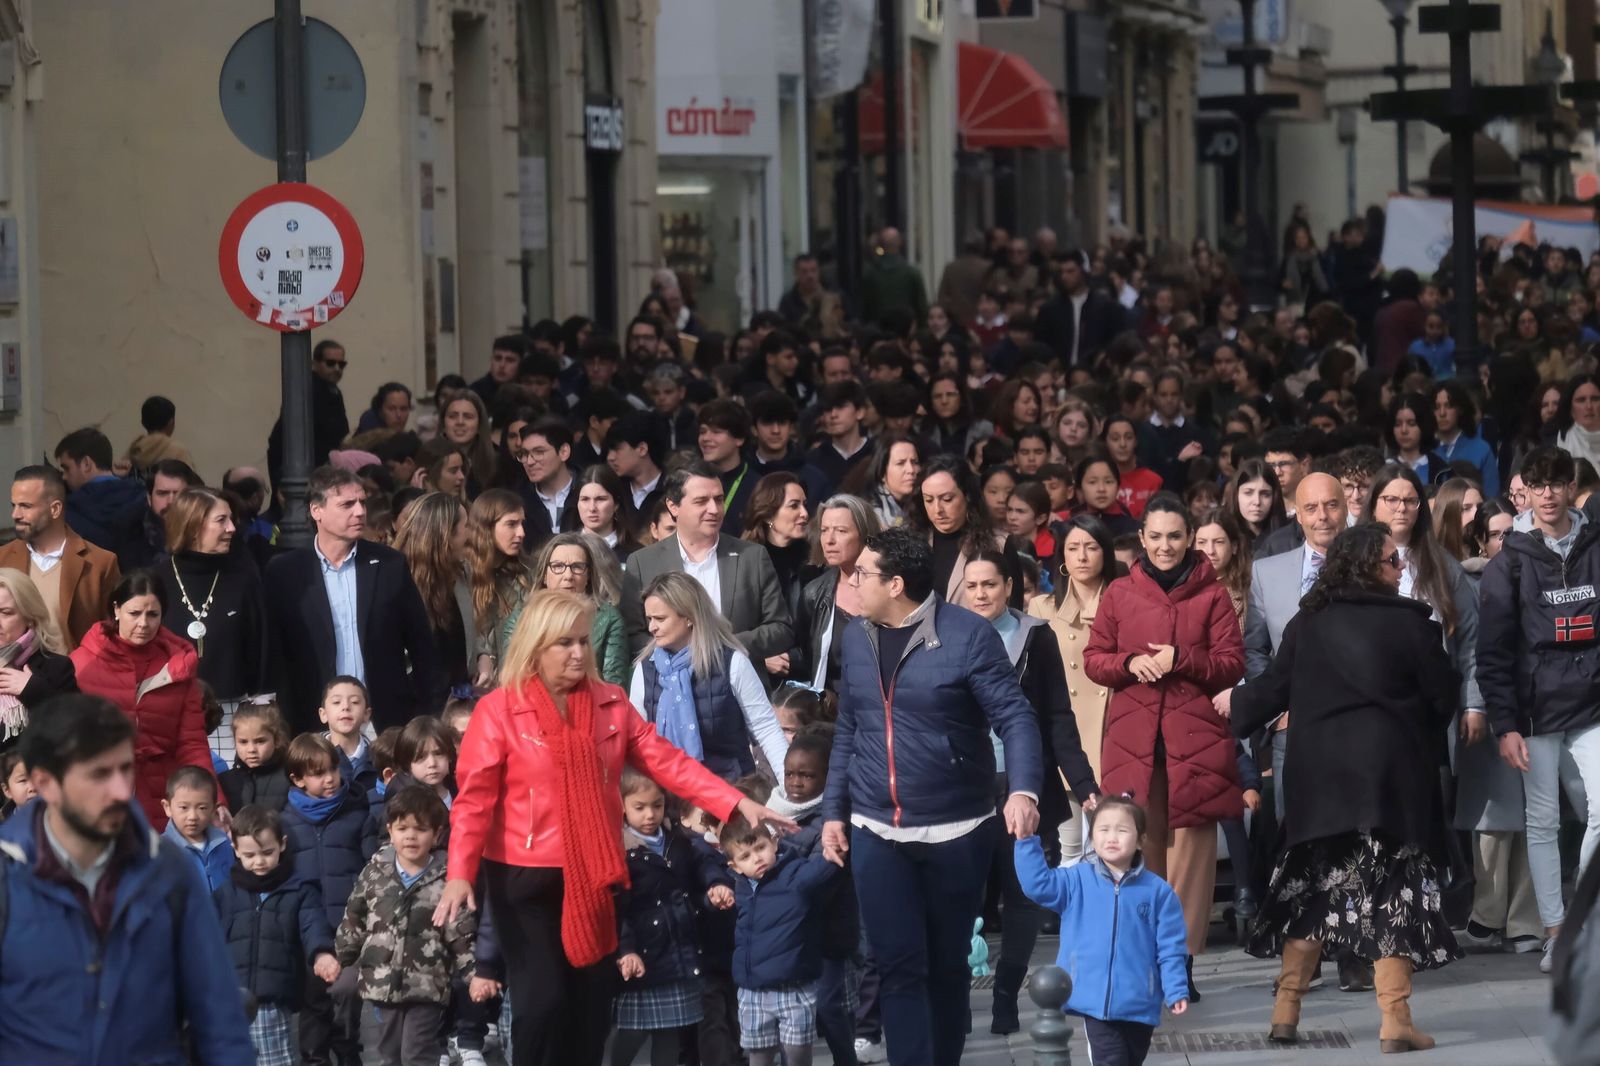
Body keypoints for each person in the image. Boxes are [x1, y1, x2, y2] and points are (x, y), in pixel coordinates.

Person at [434, 588, 794, 1066]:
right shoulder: (499, 710)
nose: (579, 652)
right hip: (522, 876)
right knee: (542, 1005)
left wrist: (733, 802)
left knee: (589, 1008)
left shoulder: (610, 703)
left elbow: (669, 763)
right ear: (535, 645)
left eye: (584, 641)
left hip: (594, 873)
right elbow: (474, 800)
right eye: (565, 642)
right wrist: (459, 871)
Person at [1221, 524, 1460, 1053]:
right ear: (1371, 567)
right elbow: (1443, 696)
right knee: (1393, 891)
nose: (1402, 570)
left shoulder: (1309, 623)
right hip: (1390, 779)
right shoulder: (1413, 626)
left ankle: (1286, 1011)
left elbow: (1272, 689)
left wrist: (1230, 709)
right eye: (1394, 562)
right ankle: (1395, 1021)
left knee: (1313, 890)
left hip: (1319, 780)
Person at [819, 526, 1043, 1066]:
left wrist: (1024, 790)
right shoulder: (855, 635)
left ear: (895, 584)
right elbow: (849, 727)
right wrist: (833, 812)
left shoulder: (967, 635)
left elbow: (1015, 716)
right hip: (877, 829)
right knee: (896, 965)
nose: (852, 582)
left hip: (957, 829)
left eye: (862, 574)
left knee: (945, 968)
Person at [0, 693, 253, 1063]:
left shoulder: (167, 870)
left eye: (124, 769)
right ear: (47, 782)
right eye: (99, 774)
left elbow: (218, 1010)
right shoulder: (8, 875)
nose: (120, 790)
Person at [1084, 493, 1244, 1000]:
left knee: (1192, 860)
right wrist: (1130, 663)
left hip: (1194, 739)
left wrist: (1184, 658)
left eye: (1175, 536)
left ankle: (1183, 963)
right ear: (1141, 539)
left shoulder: (1214, 594)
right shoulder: (1118, 592)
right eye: (1155, 536)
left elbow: (1232, 664)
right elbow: (1095, 659)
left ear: (1190, 537)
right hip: (1133, 740)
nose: (1165, 546)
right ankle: (1147, 958)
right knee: (1140, 854)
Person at [959, 550, 1101, 1034]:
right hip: (965, 788)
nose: (980, 594)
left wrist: (1085, 787)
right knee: (963, 896)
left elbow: (1058, 718)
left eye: (990, 585)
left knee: (1022, 897)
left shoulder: (1034, 637)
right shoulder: (946, 636)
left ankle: (1005, 995)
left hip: (1024, 785)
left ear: (1008, 587)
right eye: (972, 586)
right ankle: (958, 989)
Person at [1477, 445, 1600, 975]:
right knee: (1543, 821)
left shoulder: (1597, 546)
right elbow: (1493, 652)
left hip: (1593, 702)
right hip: (1534, 708)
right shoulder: (1510, 560)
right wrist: (1505, 724)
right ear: (1525, 488)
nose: (1549, 494)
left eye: (1558, 482)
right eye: (1539, 484)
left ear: (1572, 486)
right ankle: (1556, 931)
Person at [264, 466, 445, 732]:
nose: (360, 511)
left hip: (384, 721)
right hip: (313, 724)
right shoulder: (285, 572)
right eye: (347, 504)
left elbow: (421, 646)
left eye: (362, 502)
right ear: (317, 511)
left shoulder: (389, 564)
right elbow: (274, 653)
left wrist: (426, 714)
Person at [1014, 796, 1189, 1066]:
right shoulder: (1077, 881)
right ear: (1092, 838)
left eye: (1122, 830)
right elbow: (1038, 884)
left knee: (1131, 1059)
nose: (1112, 837)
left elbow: (1171, 947)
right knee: (1111, 1060)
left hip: (1139, 1002)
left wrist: (1176, 987)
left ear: (1141, 840)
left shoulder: (1158, 892)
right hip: (1094, 1002)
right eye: (1103, 830)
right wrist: (1026, 842)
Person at [337, 784, 475, 1066]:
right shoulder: (375, 872)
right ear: (390, 831)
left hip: (427, 983)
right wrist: (340, 957)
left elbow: (461, 931)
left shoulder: (447, 878)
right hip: (382, 981)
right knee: (389, 1053)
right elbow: (355, 917)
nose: (410, 836)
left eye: (420, 829)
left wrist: (475, 974)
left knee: (417, 1052)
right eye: (402, 828)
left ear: (437, 834)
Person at [69, 569, 212, 830]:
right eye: (134, 613)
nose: (144, 624)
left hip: (163, 796)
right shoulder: (81, 664)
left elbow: (192, 742)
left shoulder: (179, 665)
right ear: (116, 609)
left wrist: (216, 802)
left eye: (153, 614)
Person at [612, 768, 734, 1066]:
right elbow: (617, 908)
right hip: (644, 955)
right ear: (622, 806)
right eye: (639, 807)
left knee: (670, 1032)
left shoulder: (678, 840)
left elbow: (699, 871)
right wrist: (625, 950)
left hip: (679, 951)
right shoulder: (620, 849)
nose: (650, 814)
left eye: (657, 805)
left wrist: (714, 888)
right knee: (632, 1031)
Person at [620, 462, 794, 667]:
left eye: (718, 500)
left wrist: (724, 646)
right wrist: (678, 655)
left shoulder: (752, 556)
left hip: (739, 687)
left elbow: (781, 628)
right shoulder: (643, 562)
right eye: (701, 501)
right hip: (670, 687)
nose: (714, 509)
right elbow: (632, 636)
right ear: (673, 507)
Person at [215, 803, 342, 1066]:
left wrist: (321, 954)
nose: (259, 861)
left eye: (267, 852)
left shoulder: (299, 889)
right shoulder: (226, 893)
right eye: (249, 855)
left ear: (282, 845)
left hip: (271, 999)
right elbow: (205, 937)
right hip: (229, 998)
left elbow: (312, 925)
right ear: (235, 849)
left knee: (275, 1060)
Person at [630, 571, 789, 781]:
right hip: (667, 795)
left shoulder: (732, 662)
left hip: (731, 790)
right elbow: (636, 740)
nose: (652, 627)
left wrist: (789, 788)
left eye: (660, 618)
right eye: (649, 619)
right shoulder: (645, 669)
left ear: (689, 617)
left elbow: (765, 728)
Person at [1028, 515, 1120, 863]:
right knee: (1069, 850)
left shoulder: (1122, 606)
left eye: (1091, 547)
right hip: (1065, 739)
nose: (1082, 556)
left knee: (1112, 848)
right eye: (1073, 548)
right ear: (1062, 558)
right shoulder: (1041, 607)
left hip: (1112, 738)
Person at [282, 731, 374, 1065]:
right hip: (308, 931)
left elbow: (370, 869)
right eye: (318, 773)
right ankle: (315, 1058)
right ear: (298, 779)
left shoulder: (356, 813)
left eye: (333, 770)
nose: (330, 779)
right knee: (314, 1003)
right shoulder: (285, 824)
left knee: (348, 994)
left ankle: (349, 1050)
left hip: (349, 927)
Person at [722, 812, 842, 1066]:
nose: (757, 858)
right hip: (752, 989)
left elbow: (823, 869)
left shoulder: (796, 875)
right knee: (759, 1055)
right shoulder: (741, 889)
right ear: (734, 866)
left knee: (797, 1052)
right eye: (745, 856)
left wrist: (835, 850)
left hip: (794, 986)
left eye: (761, 847)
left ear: (774, 843)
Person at [160, 488, 266, 764]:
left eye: (232, 519)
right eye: (221, 520)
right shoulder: (156, 578)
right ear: (194, 525)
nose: (232, 528)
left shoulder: (242, 576)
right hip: (169, 712)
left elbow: (261, 646)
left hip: (232, 716)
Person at [1, 465, 121, 651]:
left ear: (55, 509)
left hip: (75, 676)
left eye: (26, 506)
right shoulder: (3, 558)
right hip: (11, 675)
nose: (15, 514)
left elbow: (113, 634)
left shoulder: (100, 563)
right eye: (14, 505)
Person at [507, 532, 629, 687]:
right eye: (558, 566)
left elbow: (614, 687)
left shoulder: (609, 619)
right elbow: (514, 679)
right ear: (544, 575)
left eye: (577, 567)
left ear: (588, 576)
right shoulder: (521, 618)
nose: (568, 575)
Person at [905, 455, 1023, 610]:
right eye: (929, 500)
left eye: (947, 499)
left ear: (967, 496)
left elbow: (1015, 615)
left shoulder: (999, 545)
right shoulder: (909, 543)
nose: (937, 509)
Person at [793, 495, 882, 692]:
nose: (829, 540)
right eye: (824, 531)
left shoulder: (889, 589)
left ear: (865, 535)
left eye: (841, 531)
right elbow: (809, 656)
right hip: (833, 711)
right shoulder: (813, 594)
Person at [393, 492, 475, 692]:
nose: (472, 534)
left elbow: (476, 634)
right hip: (416, 708)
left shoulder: (463, 574)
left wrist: (484, 659)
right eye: (467, 527)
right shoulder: (397, 582)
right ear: (446, 535)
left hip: (460, 702)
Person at [0, 568, 77, 751]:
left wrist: (34, 691)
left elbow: (75, 733)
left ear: (30, 617)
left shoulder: (57, 667)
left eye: (6, 612)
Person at [55, 427, 152, 571]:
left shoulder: (70, 511)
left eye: (67, 468)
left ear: (86, 464)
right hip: (137, 586)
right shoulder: (143, 498)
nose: (64, 476)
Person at [466, 488, 533, 680]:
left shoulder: (529, 574)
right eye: (511, 524)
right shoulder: (463, 575)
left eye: (522, 524)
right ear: (486, 527)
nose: (521, 533)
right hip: (474, 684)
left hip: (518, 681)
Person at [269, 338, 351, 492]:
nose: (337, 368)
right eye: (330, 363)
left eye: (342, 364)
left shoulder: (331, 390)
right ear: (315, 363)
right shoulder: (310, 388)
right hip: (303, 466)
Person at [1035, 252, 1122, 368]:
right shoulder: (1050, 309)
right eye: (1062, 272)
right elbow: (1042, 345)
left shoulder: (1105, 306)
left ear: (1083, 272)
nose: (1064, 277)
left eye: (1070, 271)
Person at [160, 764, 233, 892]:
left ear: (213, 810)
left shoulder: (223, 843)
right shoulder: (160, 851)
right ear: (167, 807)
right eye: (183, 807)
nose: (192, 816)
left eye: (202, 808)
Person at [219, 699, 292, 813]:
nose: (251, 749)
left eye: (260, 741)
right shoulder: (224, 781)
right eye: (243, 742)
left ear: (277, 740)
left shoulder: (291, 779)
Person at [574, 464, 644, 564]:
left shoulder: (637, 555)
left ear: (616, 504)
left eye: (600, 499)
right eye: (585, 499)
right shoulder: (562, 550)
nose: (592, 508)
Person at [125, 394, 196, 478]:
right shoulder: (178, 452)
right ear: (171, 423)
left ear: (143, 423)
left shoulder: (133, 451)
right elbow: (192, 486)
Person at [1069, 453, 1138, 537]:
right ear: (1080, 489)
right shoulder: (1069, 524)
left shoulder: (1132, 528)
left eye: (1108, 482)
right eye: (1092, 482)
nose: (1101, 489)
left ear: (1118, 487)